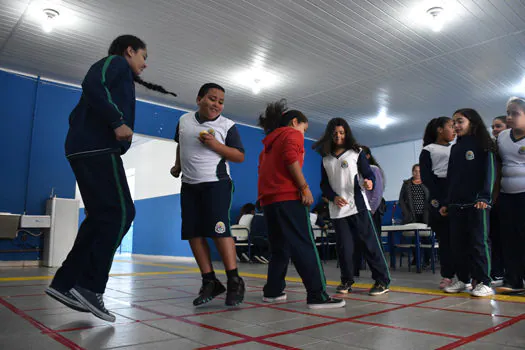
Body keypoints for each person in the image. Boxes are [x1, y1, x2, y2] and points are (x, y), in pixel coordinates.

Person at [46, 35, 177, 322]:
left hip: (88, 148)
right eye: (143, 56)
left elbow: (80, 109)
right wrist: (117, 121)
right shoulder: (115, 62)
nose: (146, 63)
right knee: (122, 212)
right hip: (96, 148)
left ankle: (65, 283)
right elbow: (92, 84)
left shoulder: (121, 75)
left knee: (101, 217)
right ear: (129, 51)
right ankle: (90, 287)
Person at [258, 99, 345, 309]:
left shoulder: (268, 145)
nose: (303, 135)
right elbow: (290, 159)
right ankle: (317, 294)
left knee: (280, 248)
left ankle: (273, 290)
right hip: (288, 197)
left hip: (269, 201)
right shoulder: (291, 134)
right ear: (294, 122)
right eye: (304, 129)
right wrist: (304, 187)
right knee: (304, 244)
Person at [171, 83, 246, 307]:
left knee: (219, 231)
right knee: (193, 233)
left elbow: (239, 156)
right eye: (212, 99)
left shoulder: (227, 126)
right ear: (199, 99)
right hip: (189, 185)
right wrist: (177, 165)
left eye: (221, 102)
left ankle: (234, 281)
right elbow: (180, 145)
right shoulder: (183, 121)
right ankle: (210, 281)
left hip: (217, 185)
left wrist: (215, 145)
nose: (217, 104)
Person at [313, 118, 391, 296]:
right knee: (345, 247)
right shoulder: (325, 158)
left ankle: (382, 280)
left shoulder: (356, 152)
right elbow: (324, 185)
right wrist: (333, 197)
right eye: (335, 134)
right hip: (337, 209)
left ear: (346, 133)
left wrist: (369, 182)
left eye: (341, 133)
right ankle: (346, 280)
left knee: (369, 243)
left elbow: (368, 173)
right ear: (330, 135)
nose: (338, 136)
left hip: (358, 207)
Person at [442, 108, 496, 297]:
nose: (456, 126)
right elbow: (452, 178)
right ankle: (463, 279)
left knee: (478, 243)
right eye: (453, 123)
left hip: (477, 204)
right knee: (458, 245)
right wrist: (447, 202)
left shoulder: (483, 144)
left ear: (472, 122)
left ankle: (484, 281)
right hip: (457, 205)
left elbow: (490, 172)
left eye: (460, 121)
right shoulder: (455, 148)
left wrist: (484, 197)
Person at [419, 117, 456, 289]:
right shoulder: (428, 150)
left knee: (463, 238)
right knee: (446, 240)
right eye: (450, 126)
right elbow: (427, 178)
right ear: (440, 129)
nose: (454, 129)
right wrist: (441, 201)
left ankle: (467, 275)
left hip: (457, 191)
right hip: (439, 193)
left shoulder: (457, 148)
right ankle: (448, 275)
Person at [496, 98, 525, 294]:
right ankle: (513, 280)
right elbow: (497, 167)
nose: (509, 117)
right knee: (509, 239)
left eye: (515, 113)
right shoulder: (503, 137)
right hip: (507, 197)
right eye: (508, 113)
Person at [398, 164, 431, 267]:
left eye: (420, 171)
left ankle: (426, 259)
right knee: (413, 238)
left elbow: (431, 198)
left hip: (425, 215)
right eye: (415, 171)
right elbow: (401, 200)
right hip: (412, 215)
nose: (417, 173)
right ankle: (416, 259)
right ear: (412, 172)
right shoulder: (407, 183)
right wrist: (406, 213)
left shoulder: (427, 182)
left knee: (426, 238)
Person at [490, 116, 509, 285]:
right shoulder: (492, 149)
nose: (494, 129)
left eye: (498, 126)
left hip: (510, 195)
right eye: (493, 127)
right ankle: (497, 272)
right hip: (494, 199)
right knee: (495, 237)